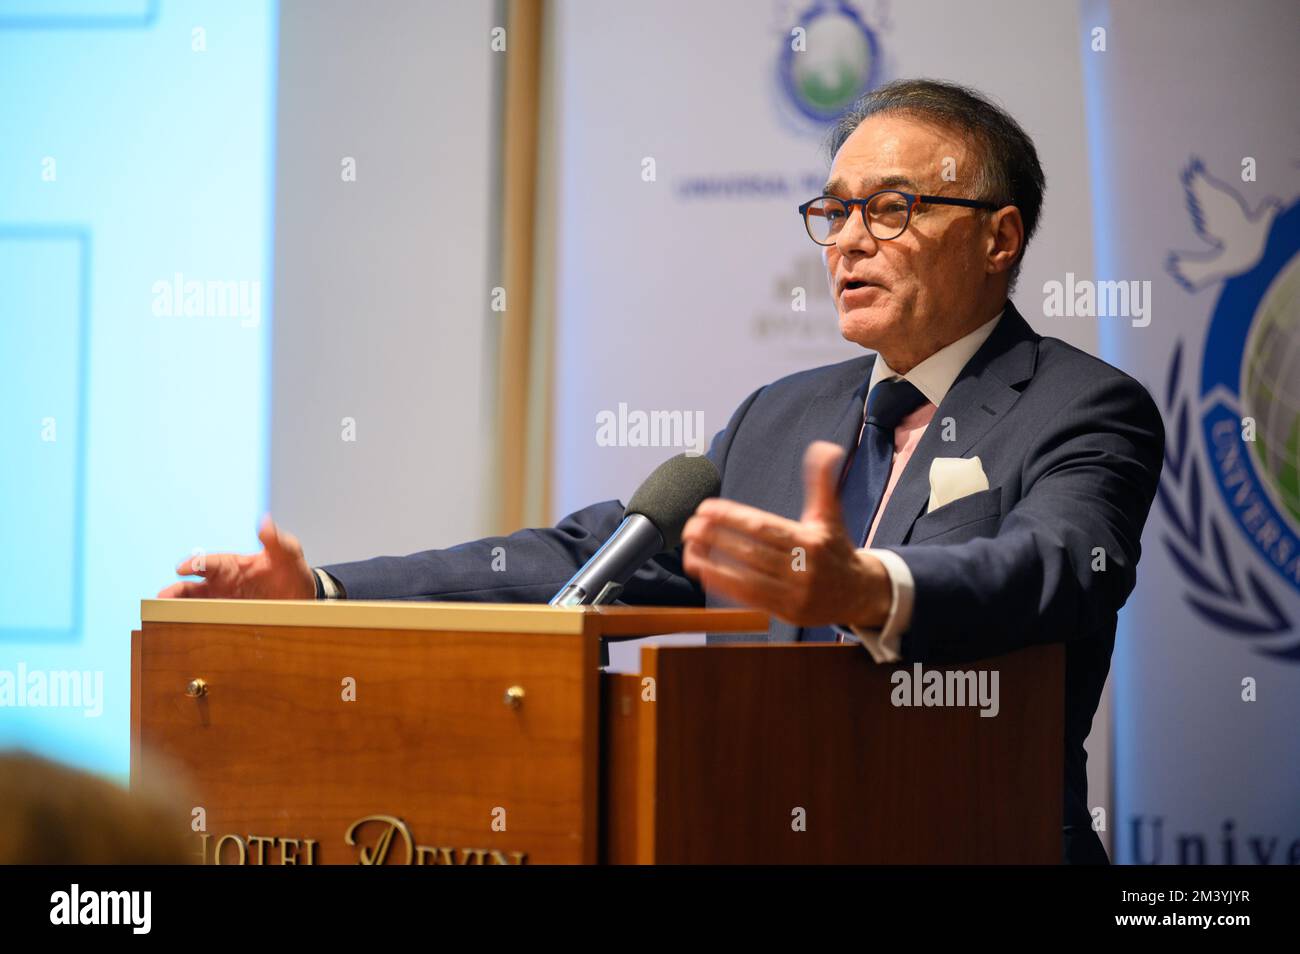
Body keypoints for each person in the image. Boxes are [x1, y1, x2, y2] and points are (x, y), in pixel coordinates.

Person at [159, 79, 1165, 865]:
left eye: (893, 209)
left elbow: (1052, 571)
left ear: (1000, 238)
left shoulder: (1082, 407)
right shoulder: (782, 416)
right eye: (835, 210)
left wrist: (866, 587)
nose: (849, 239)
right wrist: (328, 591)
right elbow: (587, 554)